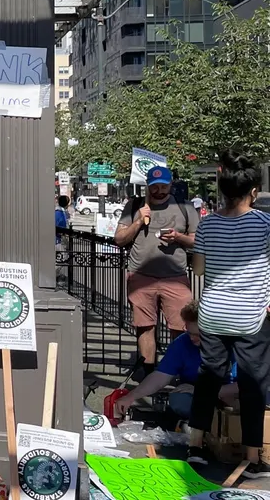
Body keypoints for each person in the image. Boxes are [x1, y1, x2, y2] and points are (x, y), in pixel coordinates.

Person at [185, 151, 270, 475]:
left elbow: (201, 269)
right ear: (253, 192)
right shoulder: (265, 224)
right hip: (251, 317)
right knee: (253, 384)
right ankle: (251, 456)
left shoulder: (208, 224)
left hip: (213, 313)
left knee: (209, 378)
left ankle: (196, 445)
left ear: (221, 190)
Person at [114, 165, 198, 378]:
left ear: (170, 184)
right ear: (147, 187)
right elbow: (119, 239)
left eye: (163, 186)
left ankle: (178, 372)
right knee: (145, 326)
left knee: (181, 327)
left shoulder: (184, 207)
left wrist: (178, 237)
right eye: (154, 186)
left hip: (175, 277)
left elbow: (197, 241)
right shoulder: (134, 206)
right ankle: (149, 370)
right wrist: (138, 221)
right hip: (140, 276)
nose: (159, 190)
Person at [114, 301, 237, 419]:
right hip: (196, 395)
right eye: (189, 332)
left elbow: (248, 385)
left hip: (228, 395)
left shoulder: (235, 345)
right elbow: (160, 376)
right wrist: (131, 396)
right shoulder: (183, 343)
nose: (192, 338)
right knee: (178, 400)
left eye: (198, 335)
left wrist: (203, 391)